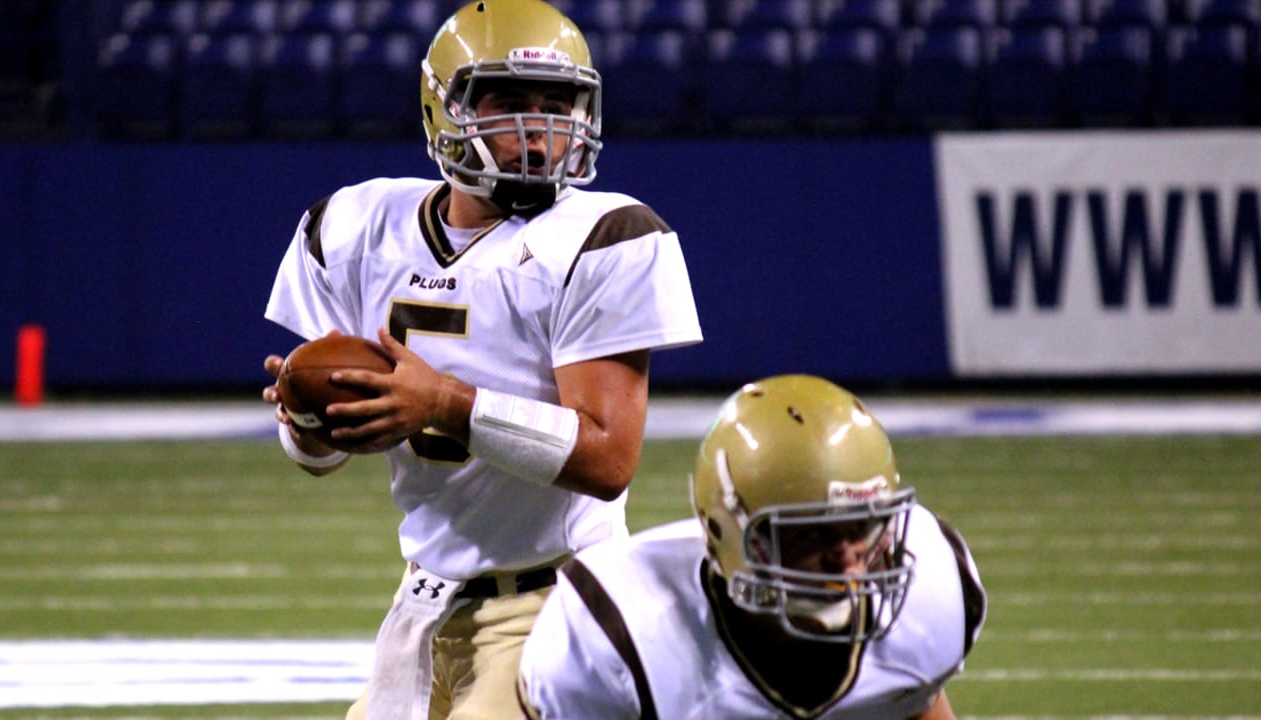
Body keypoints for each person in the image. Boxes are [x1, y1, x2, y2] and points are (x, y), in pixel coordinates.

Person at [259, 1, 702, 718]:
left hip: (558, 602)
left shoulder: (607, 234)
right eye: (508, 103)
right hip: (424, 603)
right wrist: (309, 420)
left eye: (557, 105)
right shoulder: (352, 227)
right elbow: (314, 459)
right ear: (445, 110)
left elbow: (609, 457)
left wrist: (446, 405)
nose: (538, 130)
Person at [518, 375, 987, 720]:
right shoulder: (617, 629)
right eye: (811, 533)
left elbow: (910, 701)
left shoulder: (932, 592)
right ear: (728, 531)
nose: (847, 556)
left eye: (862, 526)